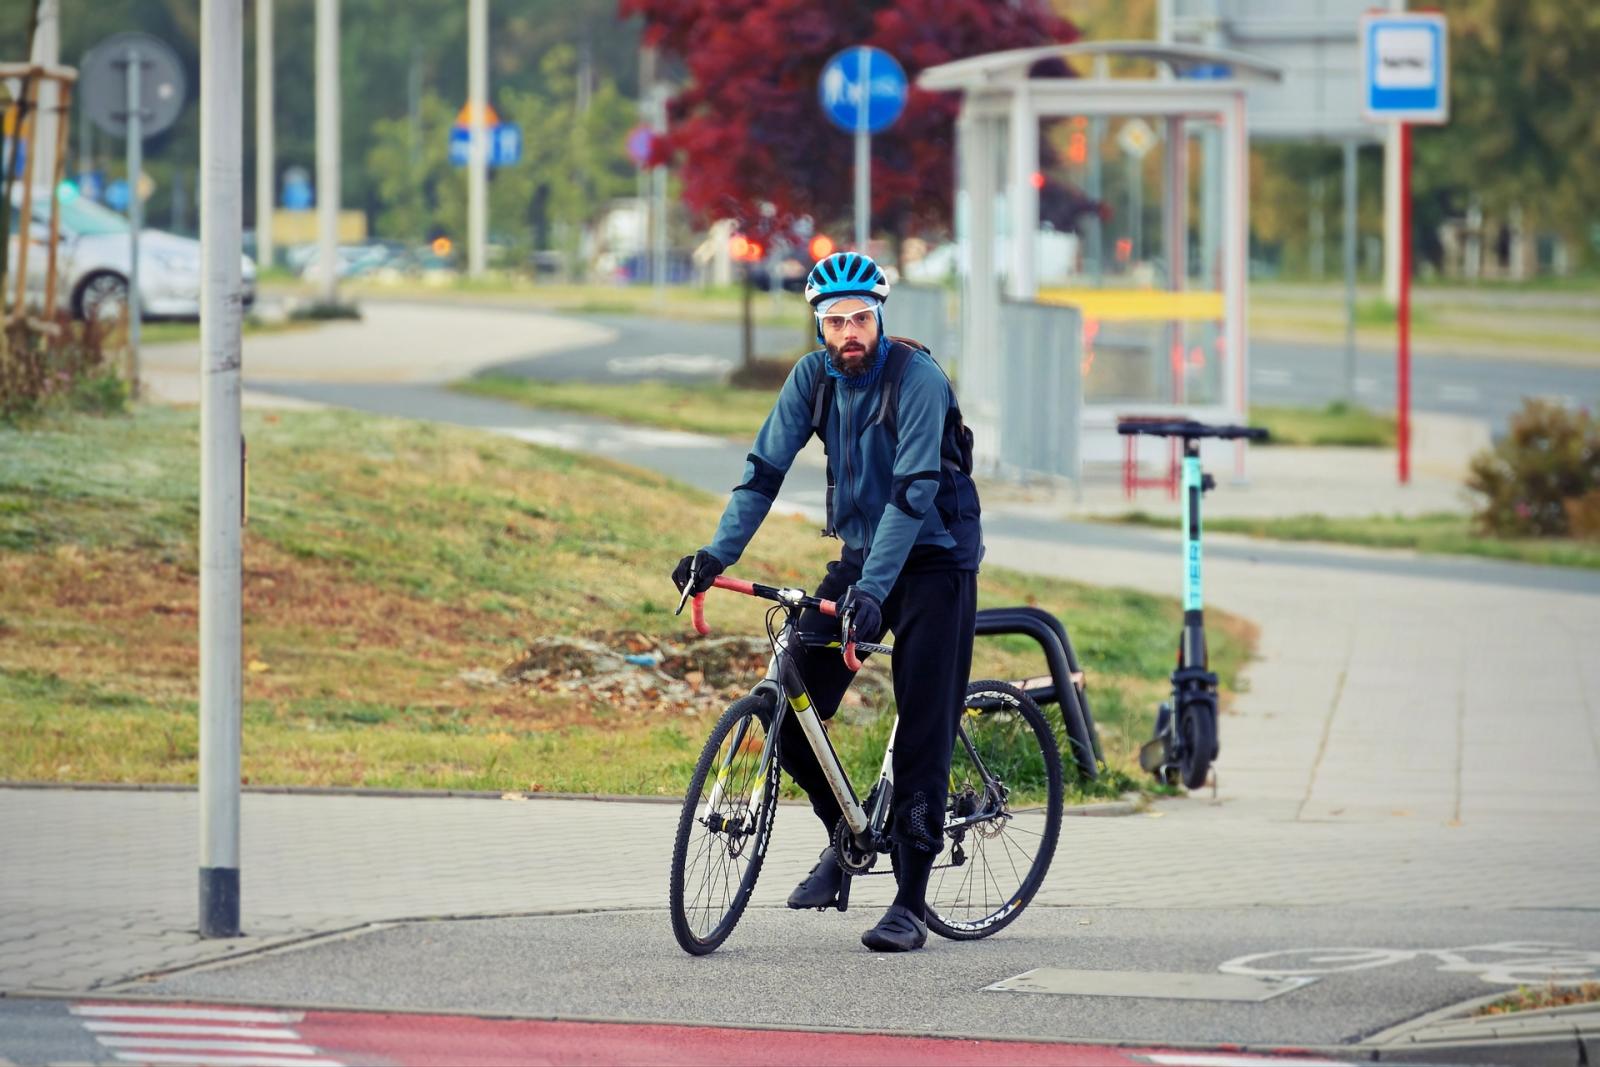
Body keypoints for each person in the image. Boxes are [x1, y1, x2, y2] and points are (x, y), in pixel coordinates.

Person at [671, 251, 983, 952]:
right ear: (819, 326)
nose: (849, 332)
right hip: (861, 556)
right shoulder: (813, 380)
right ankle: (845, 832)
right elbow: (762, 471)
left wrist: (872, 595)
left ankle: (908, 898)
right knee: (792, 698)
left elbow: (913, 494)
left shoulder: (919, 380)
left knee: (925, 721)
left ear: (880, 319)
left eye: (861, 318)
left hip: (935, 558)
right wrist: (716, 554)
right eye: (836, 320)